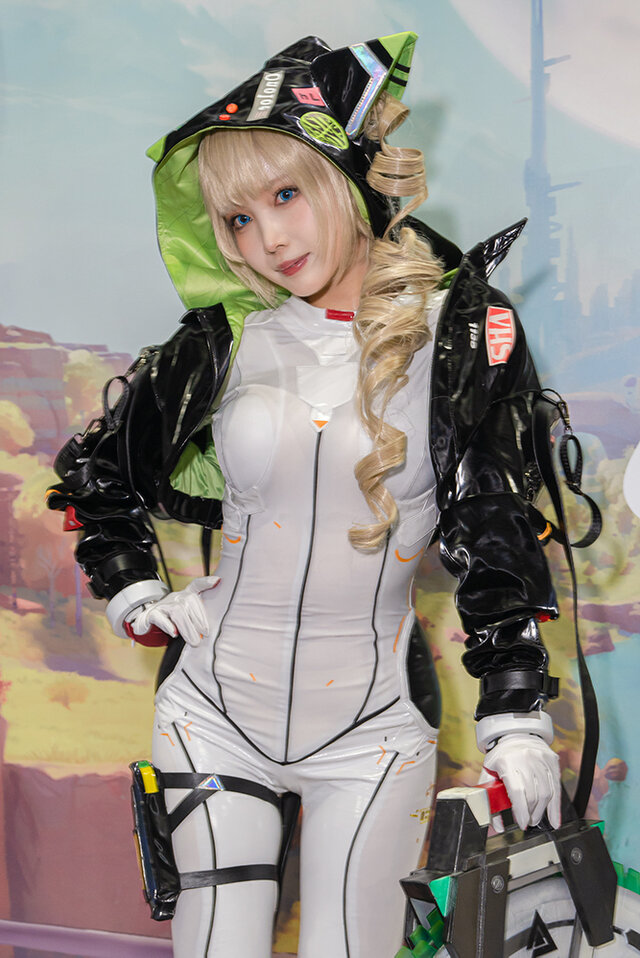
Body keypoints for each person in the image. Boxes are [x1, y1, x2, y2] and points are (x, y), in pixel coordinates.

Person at [47, 32, 562, 958]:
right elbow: (99, 473)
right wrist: (134, 591)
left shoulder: (462, 332)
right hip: (209, 711)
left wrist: (515, 712)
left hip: (373, 727)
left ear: (350, 175)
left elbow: (494, 523)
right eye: (238, 218)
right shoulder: (221, 337)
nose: (268, 239)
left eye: (285, 195)